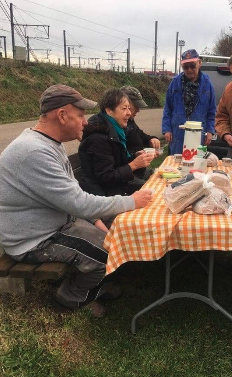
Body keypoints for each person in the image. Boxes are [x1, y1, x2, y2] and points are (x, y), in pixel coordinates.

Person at [0, 84, 153, 316]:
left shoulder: (48, 144)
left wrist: (97, 222)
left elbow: (73, 197)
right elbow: (79, 203)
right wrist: (131, 201)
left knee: (115, 235)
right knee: (108, 254)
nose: (85, 122)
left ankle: (91, 283)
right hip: (33, 239)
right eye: (80, 115)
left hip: (56, 222)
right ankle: (71, 296)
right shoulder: (34, 152)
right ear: (62, 115)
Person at [79, 88, 155, 197]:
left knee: (156, 188)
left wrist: (134, 157)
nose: (129, 113)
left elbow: (115, 164)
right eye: (124, 108)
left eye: (129, 108)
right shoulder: (98, 138)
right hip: (103, 196)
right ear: (109, 110)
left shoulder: (114, 130)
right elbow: (106, 177)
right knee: (153, 194)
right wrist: (133, 165)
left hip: (115, 188)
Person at [162, 49, 216, 155]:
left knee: (196, 164)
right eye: (186, 67)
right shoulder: (175, 83)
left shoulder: (207, 84)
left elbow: (212, 111)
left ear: (199, 63)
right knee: (176, 166)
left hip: (198, 134)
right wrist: (166, 129)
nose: (189, 69)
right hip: (177, 134)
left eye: (192, 65)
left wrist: (210, 131)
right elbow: (167, 109)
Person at [121, 85, 160, 180]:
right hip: (131, 175)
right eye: (136, 106)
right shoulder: (118, 124)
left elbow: (139, 134)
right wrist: (136, 157)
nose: (138, 110)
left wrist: (151, 139)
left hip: (139, 171)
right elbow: (121, 157)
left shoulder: (129, 120)